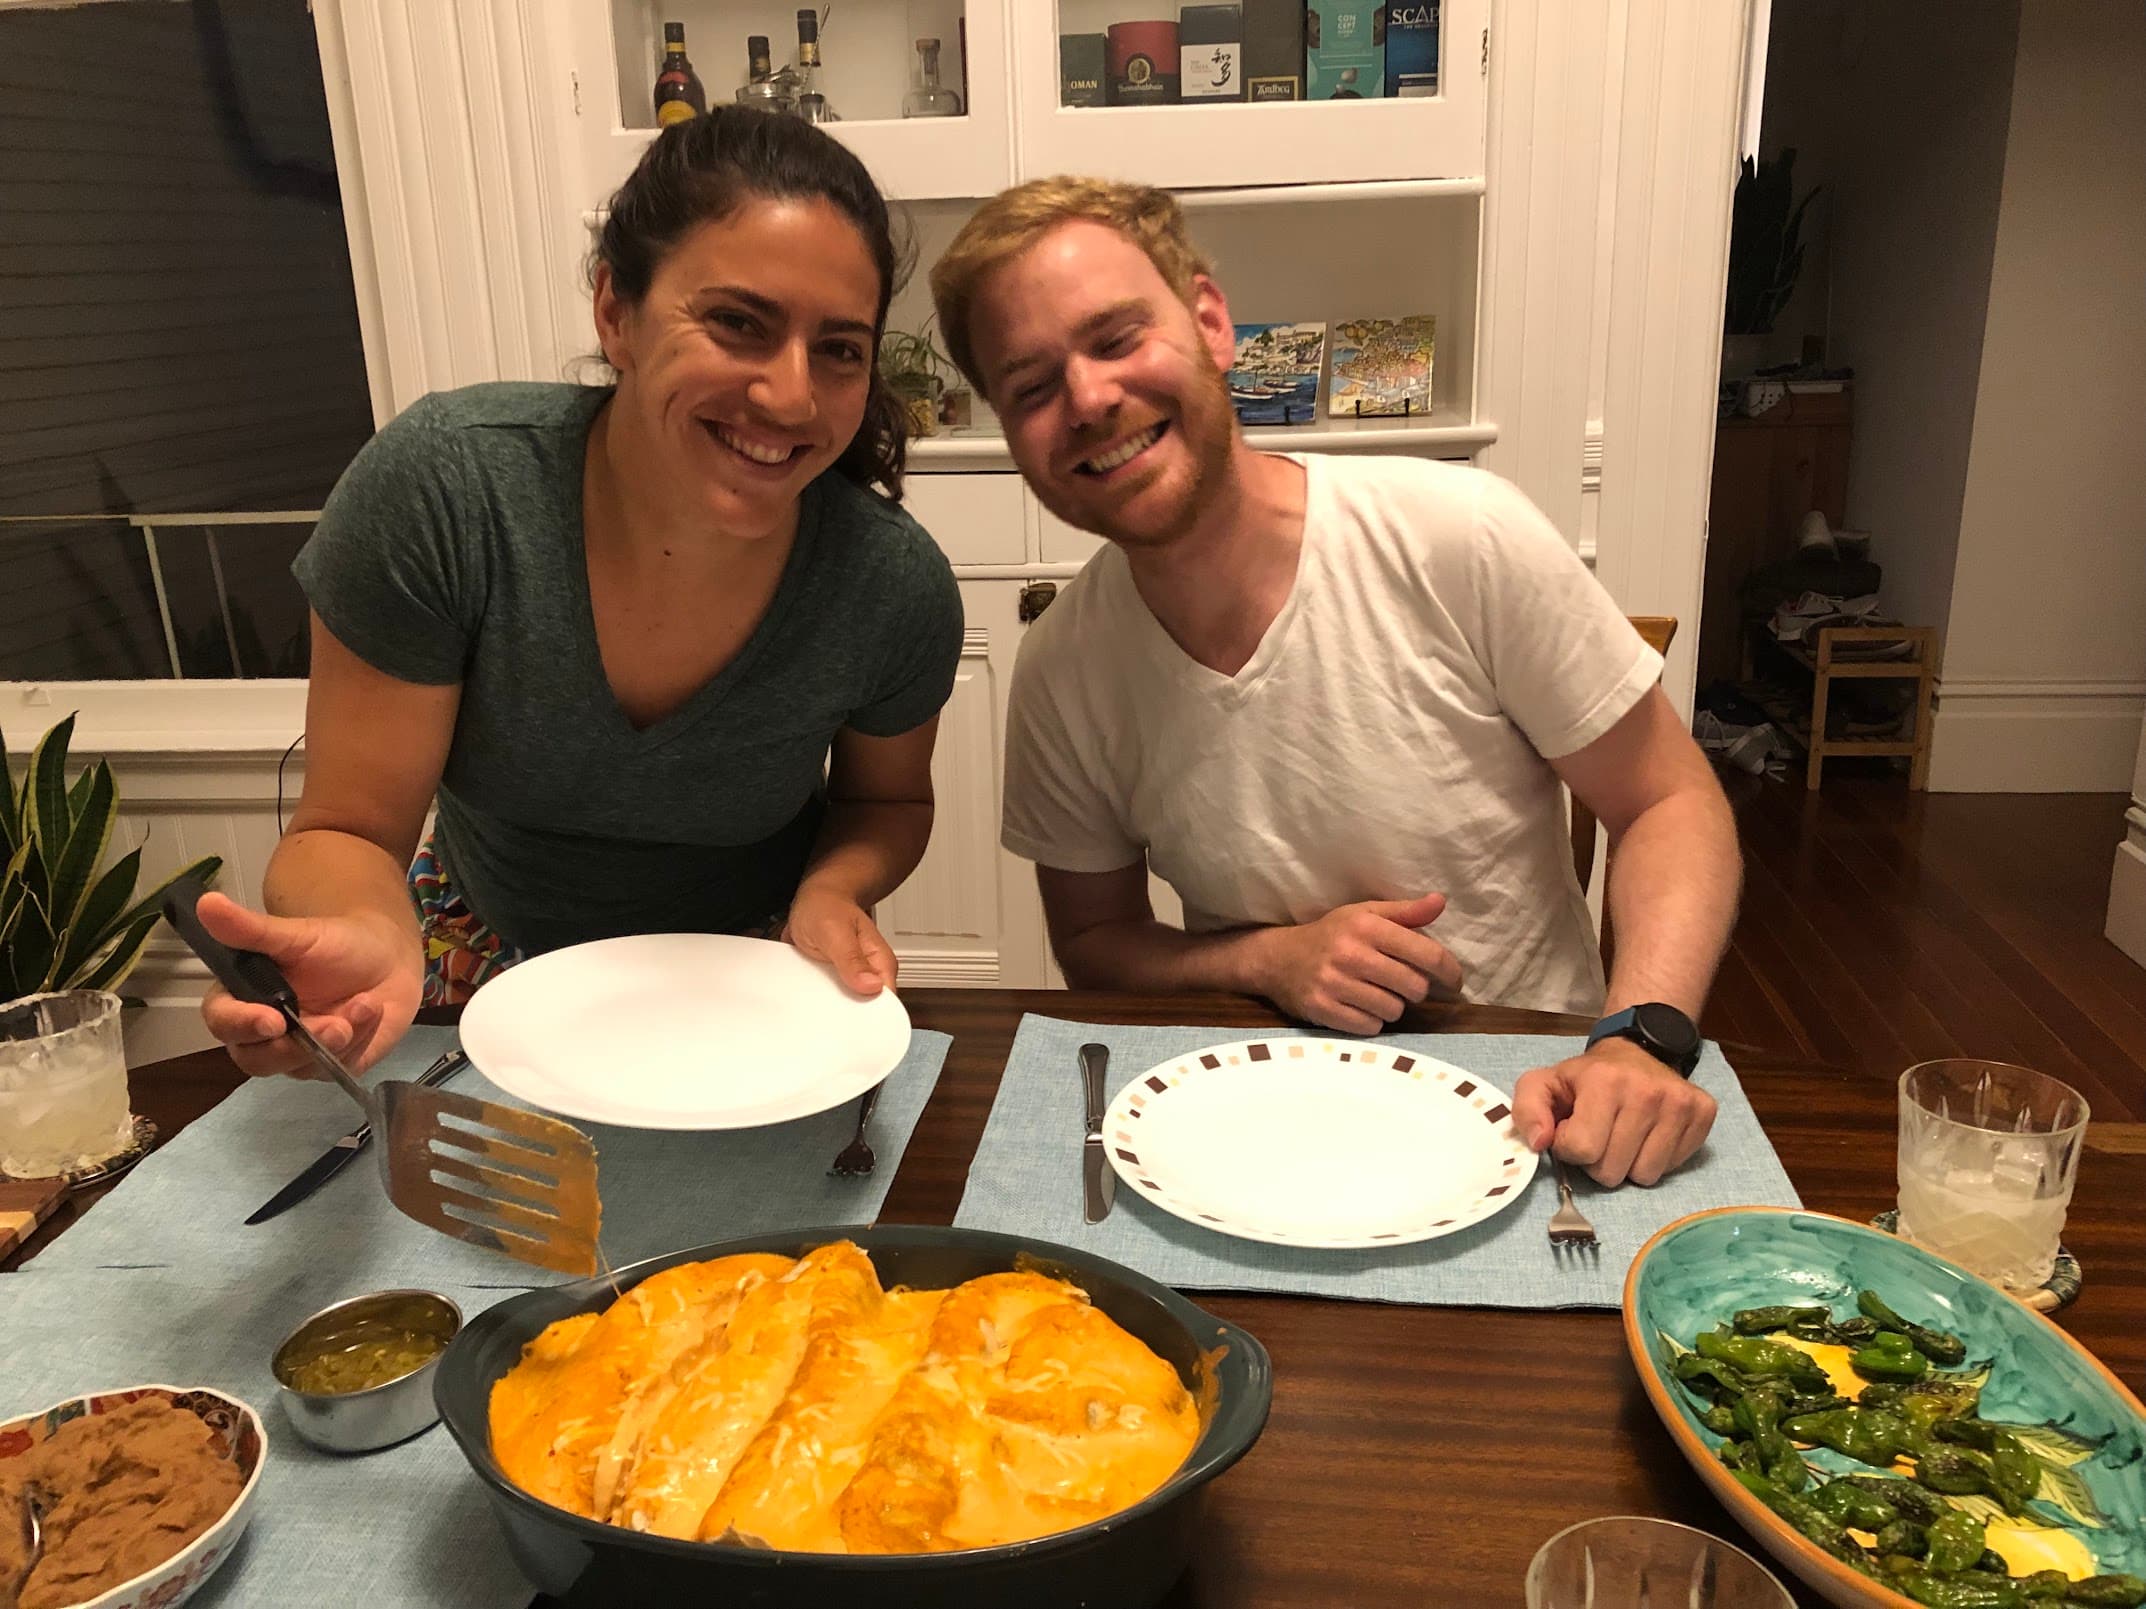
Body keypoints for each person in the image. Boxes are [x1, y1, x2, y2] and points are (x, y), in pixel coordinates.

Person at [929, 177, 1741, 1188]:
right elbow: (1096, 941)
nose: (1088, 399)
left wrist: (1639, 1036)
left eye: (1115, 338)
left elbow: (1667, 798)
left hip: (1536, 1095)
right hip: (1240, 1109)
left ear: (1210, 322)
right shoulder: (1060, 670)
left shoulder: (1460, 535)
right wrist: (1264, 958)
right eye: (1032, 386)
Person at [200, 108, 963, 1078]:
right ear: (616, 313)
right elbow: (347, 826)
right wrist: (361, 934)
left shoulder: (891, 585)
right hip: (471, 948)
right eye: (737, 323)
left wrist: (833, 888)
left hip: (755, 969)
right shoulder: (446, 496)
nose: (790, 397)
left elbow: (886, 801)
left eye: (839, 349)